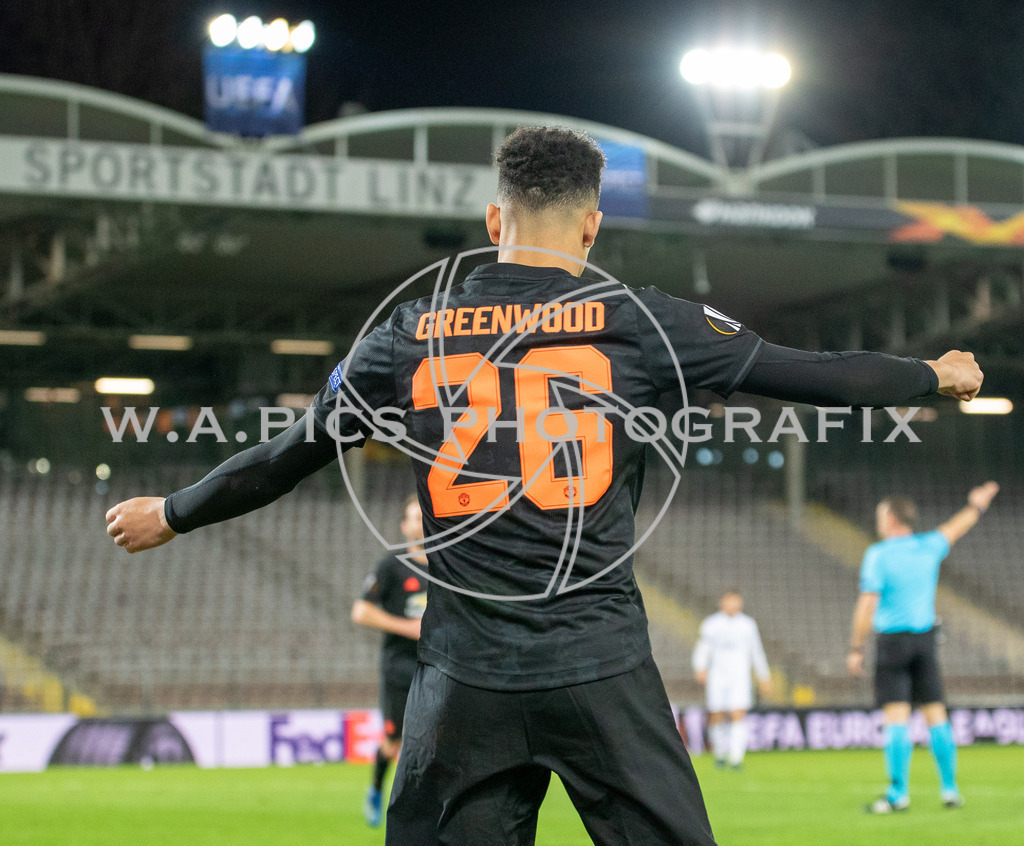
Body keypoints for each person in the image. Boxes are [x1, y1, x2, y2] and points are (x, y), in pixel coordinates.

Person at [105, 126, 985, 845]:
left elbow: (286, 453)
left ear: (495, 219)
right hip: (599, 665)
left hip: (462, 681)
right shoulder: (643, 323)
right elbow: (814, 374)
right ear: (592, 226)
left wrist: (172, 513)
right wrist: (930, 373)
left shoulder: (409, 333)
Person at [847, 481, 1000, 814]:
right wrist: (976, 506)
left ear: (889, 518)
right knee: (936, 714)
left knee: (897, 717)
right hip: (925, 641)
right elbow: (956, 528)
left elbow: (866, 604)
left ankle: (898, 792)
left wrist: (855, 646)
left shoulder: (879, 555)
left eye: (880, 515)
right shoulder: (928, 546)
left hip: (892, 643)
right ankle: (950, 789)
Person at [350, 495, 427, 827]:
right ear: (404, 526)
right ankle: (376, 790)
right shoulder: (392, 566)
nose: (421, 522)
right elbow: (361, 611)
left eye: (425, 515)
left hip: (440, 666)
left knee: (437, 741)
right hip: (400, 667)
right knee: (394, 742)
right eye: (414, 517)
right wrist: (409, 628)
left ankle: (429, 808)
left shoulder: (451, 565)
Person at [692, 590, 771, 770]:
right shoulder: (711, 624)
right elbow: (702, 647)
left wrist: (764, 676)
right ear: (722, 602)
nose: (734, 605)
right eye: (730, 601)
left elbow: (756, 651)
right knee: (717, 714)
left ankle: (736, 758)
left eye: (737, 602)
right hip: (717, 676)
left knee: (738, 713)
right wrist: (700, 667)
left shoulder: (748, 624)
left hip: (740, 676)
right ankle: (720, 753)